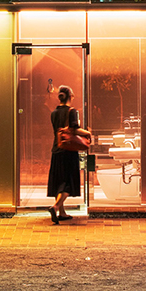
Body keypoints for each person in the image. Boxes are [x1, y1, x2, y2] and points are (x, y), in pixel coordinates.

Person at [47, 85, 91, 224]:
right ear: (70, 96)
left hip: (56, 149)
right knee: (68, 182)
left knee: (59, 180)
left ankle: (62, 212)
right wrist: (88, 133)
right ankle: (55, 207)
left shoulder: (53, 112)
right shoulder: (72, 111)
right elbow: (74, 130)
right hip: (68, 151)